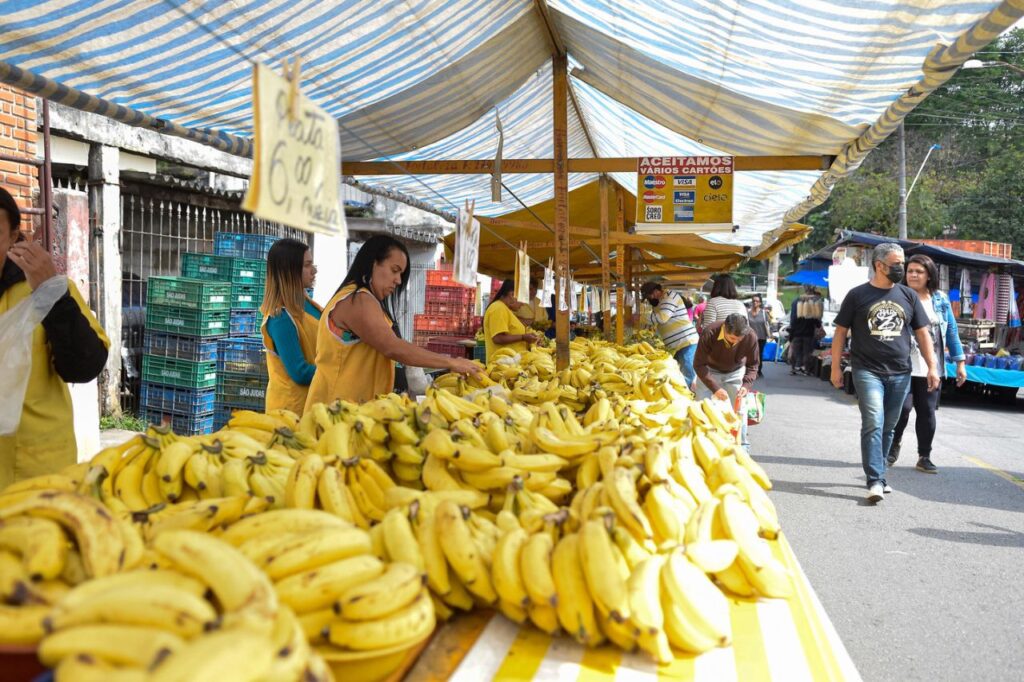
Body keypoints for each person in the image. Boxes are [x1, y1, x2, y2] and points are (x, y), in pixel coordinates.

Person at [0, 187, 109, 487]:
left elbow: (86, 366)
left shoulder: (46, 290)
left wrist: (53, 296)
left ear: (13, 238)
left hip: (40, 472)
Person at [305, 236, 480, 407]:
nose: (398, 280)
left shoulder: (363, 299)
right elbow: (392, 347)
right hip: (333, 414)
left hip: (354, 411)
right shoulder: (358, 300)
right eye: (394, 270)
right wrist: (451, 362)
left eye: (401, 274)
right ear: (373, 263)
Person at [830, 243, 939, 503]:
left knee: (889, 427)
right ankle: (875, 480)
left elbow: (923, 334)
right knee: (873, 422)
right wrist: (835, 367)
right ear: (879, 265)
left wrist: (932, 367)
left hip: (901, 372)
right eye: (896, 264)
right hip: (867, 370)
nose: (901, 269)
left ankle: (880, 474)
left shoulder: (908, 296)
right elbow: (840, 332)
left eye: (902, 262)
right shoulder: (857, 295)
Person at [887, 254, 968, 473]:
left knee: (927, 411)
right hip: (901, 363)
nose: (913, 275)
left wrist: (960, 362)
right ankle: (893, 445)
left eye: (919, 271)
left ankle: (924, 456)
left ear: (929, 275)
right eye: (910, 270)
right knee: (901, 409)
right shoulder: (896, 294)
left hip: (931, 366)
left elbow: (951, 330)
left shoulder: (940, 299)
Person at [260, 238, 323, 415]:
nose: (314, 270)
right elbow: (300, 372)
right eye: (307, 265)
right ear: (290, 270)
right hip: (291, 414)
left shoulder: (309, 305)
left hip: (314, 406)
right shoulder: (281, 319)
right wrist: (339, 372)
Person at [693, 313, 759, 450]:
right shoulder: (710, 332)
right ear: (724, 328)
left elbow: (753, 365)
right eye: (731, 338)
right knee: (700, 406)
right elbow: (699, 364)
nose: (734, 342)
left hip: (735, 372)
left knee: (740, 408)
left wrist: (746, 385)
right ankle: (699, 442)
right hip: (708, 371)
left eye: (738, 339)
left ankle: (742, 444)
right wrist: (715, 388)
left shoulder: (750, 336)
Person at [640, 281, 699, 388]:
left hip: (686, 342)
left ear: (656, 290)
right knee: (677, 376)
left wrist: (640, 317)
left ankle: (690, 399)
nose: (651, 298)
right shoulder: (659, 301)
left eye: (651, 295)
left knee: (687, 376)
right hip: (675, 346)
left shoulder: (670, 297)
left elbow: (662, 318)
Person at [483, 279, 539, 361]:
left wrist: (529, 340)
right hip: (503, 365)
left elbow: (511, 334)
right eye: (523, 299)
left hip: (512, 364)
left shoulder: (505, 309)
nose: (523, 304)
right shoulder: (498, 308)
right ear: (512, 295)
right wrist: (523, 337)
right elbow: (498, 338)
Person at [788, 285, 823, 376]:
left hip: (796, 332)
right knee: (807, 352)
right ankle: (806, 369)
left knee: (796, 351)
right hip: (808, 333)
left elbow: (793, 319)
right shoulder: (814, 303)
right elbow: (816, 320)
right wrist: (818, 325)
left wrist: (791, 333)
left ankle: (794, 368)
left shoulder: (796, 302)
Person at [747, 294, 772, 377]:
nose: (755, 303)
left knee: (759, 354)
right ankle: (750, 370)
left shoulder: (764, 313)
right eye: (753, 301)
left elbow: (769, 323)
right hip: (750, 338)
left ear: (760, 303)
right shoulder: (748, 313)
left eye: (757, 301)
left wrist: (770, 333)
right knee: (750, 355)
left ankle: (758, 371)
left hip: (761, 337)